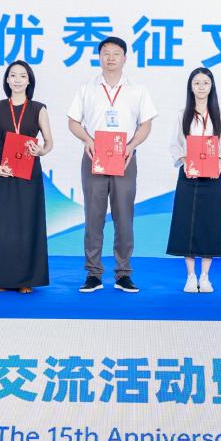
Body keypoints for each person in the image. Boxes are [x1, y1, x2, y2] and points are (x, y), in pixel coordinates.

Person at [67, 36, 157, 293]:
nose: (110, 57)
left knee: (124, 216)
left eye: (116, 53)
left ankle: (123, 274)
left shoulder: (137, 89)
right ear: (99, 57)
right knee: (93, 217)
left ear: (124, 58)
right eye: (106, 53)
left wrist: (131, 146)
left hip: (124, 157)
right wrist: (87, 140)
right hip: (94, 156)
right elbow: (73, 122)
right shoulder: (87, 88)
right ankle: (93, 274)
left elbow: (146, 124)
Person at [0, 60, 53, 293]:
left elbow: (49, 142)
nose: (18, 79)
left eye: (23, 76)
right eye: (13, 75)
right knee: (4, 225)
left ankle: (24, 280)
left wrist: (40, 150)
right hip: (4, 171)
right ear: (7, 80)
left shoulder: (39, 108)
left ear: (29, 81)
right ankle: (2, 279)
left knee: (28, 223)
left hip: (30, 172)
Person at [167, 67, 221, 293]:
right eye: (197, 83)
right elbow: (175, 144)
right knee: (187, 223)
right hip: (189, 175)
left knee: (209, 224)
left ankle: (205, 277)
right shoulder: (182, 114)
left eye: (205, 83)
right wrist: (183, 158)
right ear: (190, 87)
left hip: (212, 175)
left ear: (212, 86)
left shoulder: (220, 114)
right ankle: (190, 276)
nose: (201, 87)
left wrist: (219, 160)